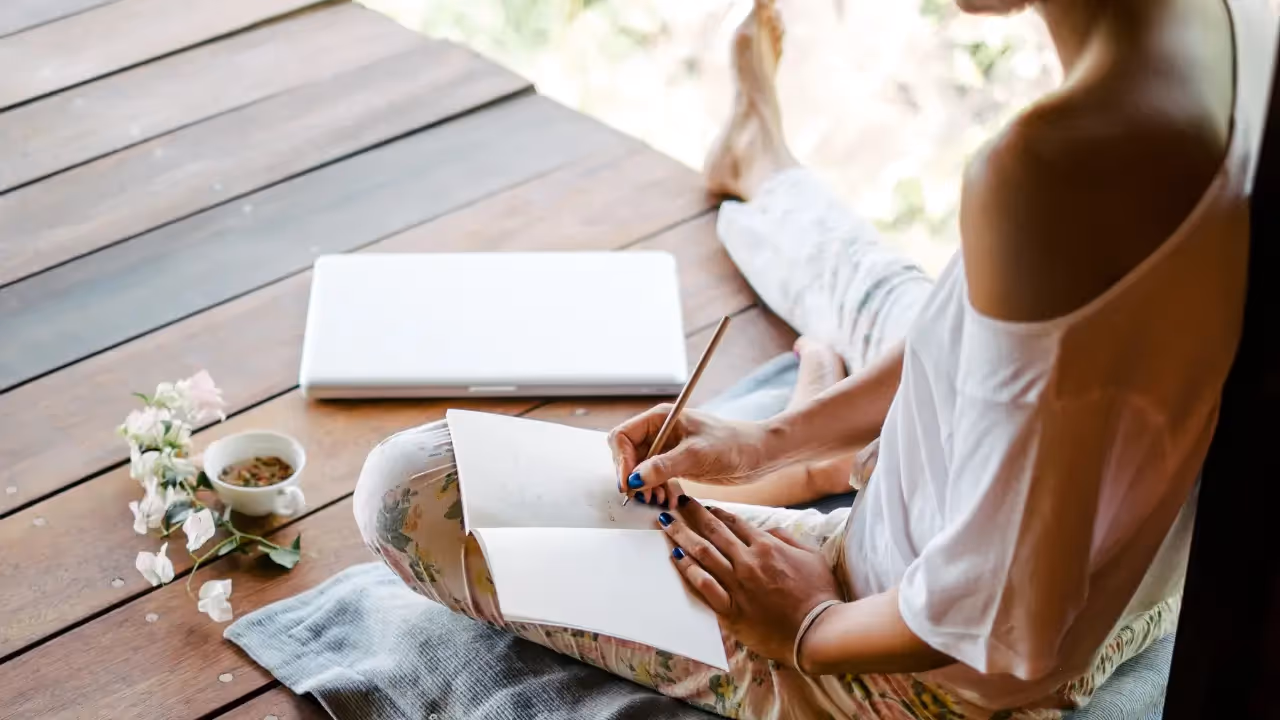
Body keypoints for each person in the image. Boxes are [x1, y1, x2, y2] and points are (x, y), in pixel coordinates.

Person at [353, 0, 1273, 715]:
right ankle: (768, 173)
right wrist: (769, 440)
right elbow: (992, 334)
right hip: (1136, 585)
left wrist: (806, 625)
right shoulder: (1239, 28)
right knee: (891, 299)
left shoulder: (1046, 174)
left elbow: (1002, 622)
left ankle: (775, 204)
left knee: (409, 489)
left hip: (926, 666)